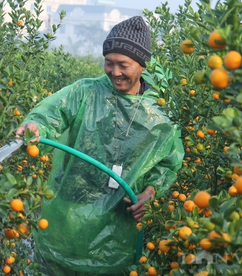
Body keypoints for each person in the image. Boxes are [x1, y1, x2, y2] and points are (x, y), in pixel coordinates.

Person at [15, 16, 184, 275]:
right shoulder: (86, 92)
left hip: (117, 229)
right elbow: (52, 112)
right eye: (109, 63)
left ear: (142, 65)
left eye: (123, 65)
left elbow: (168, 163)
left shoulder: (158, 116)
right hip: (66, 216)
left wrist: (149, 194)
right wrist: (36, 125)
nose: (115, 72)